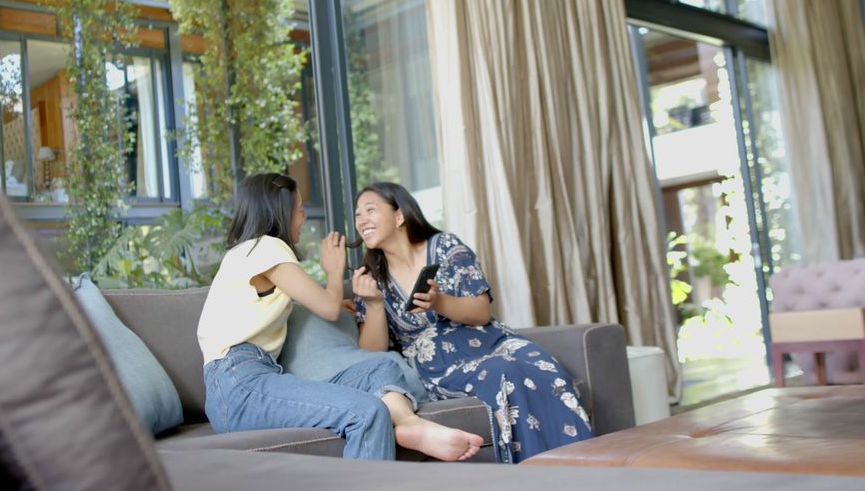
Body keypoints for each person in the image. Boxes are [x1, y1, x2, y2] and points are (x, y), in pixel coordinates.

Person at [197, 173, 483, 461]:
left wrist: (334, 300)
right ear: (280, 211)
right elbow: (328, 308)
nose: (303, 216)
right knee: (367, 412)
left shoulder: (251, 255)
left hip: (253, 378)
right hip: (240, 383)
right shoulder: (267, 246)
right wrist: (334, 271)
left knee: (380, 367)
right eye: (298, 208)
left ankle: (410, 424)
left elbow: (301, 304)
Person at [350, 182, 593, 463]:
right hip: (441, 363)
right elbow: (371, 353)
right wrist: (375, 304)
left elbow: (481, 312)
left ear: (399, 215)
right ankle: (536, 475)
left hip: (491, 339)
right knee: (504, 372)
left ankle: (584, 468)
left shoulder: (446, 247)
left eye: (370, 210)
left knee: (546, 369)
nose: (361, 220)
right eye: (357, 215)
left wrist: (438, 301)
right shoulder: (371, 277)